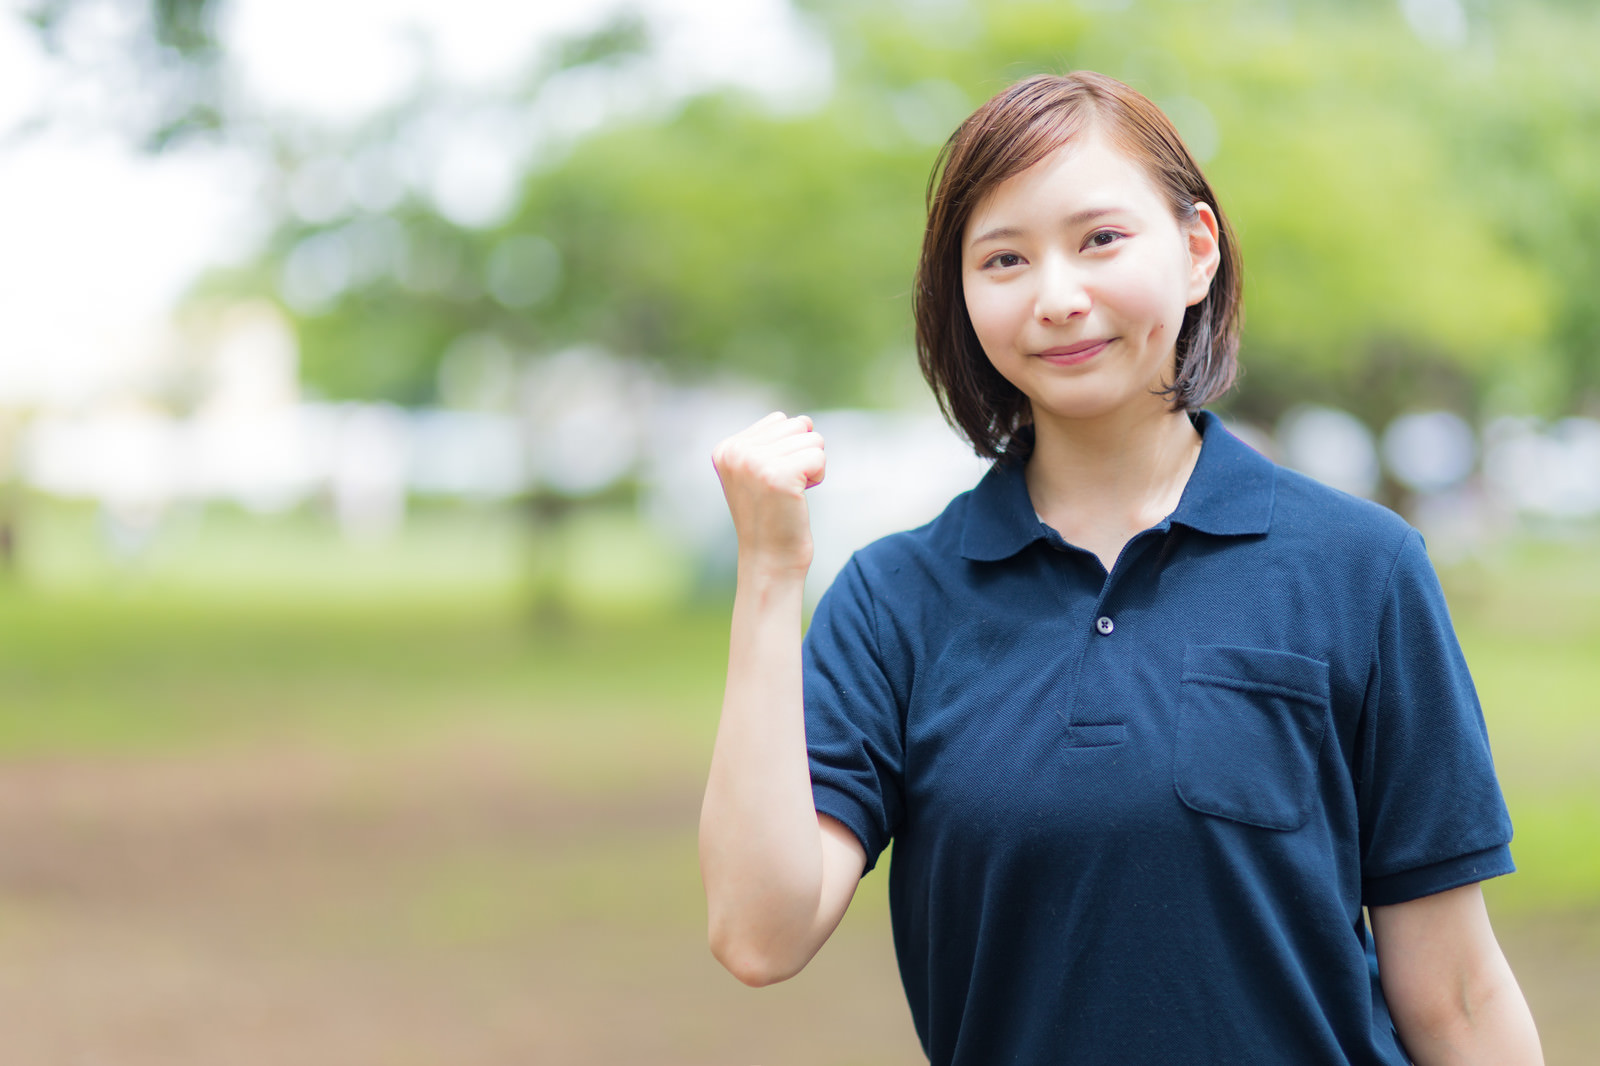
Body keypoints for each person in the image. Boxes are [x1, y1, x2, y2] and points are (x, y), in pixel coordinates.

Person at [699, 71, 1543, 1065]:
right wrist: (768, 571)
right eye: (1003, 258)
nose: (1059, 297)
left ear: (1194, 251)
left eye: (1099, 240)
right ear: (962, 297)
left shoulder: (1362, 569)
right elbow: (761, 932)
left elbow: (1454, 988)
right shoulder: (896, 602)